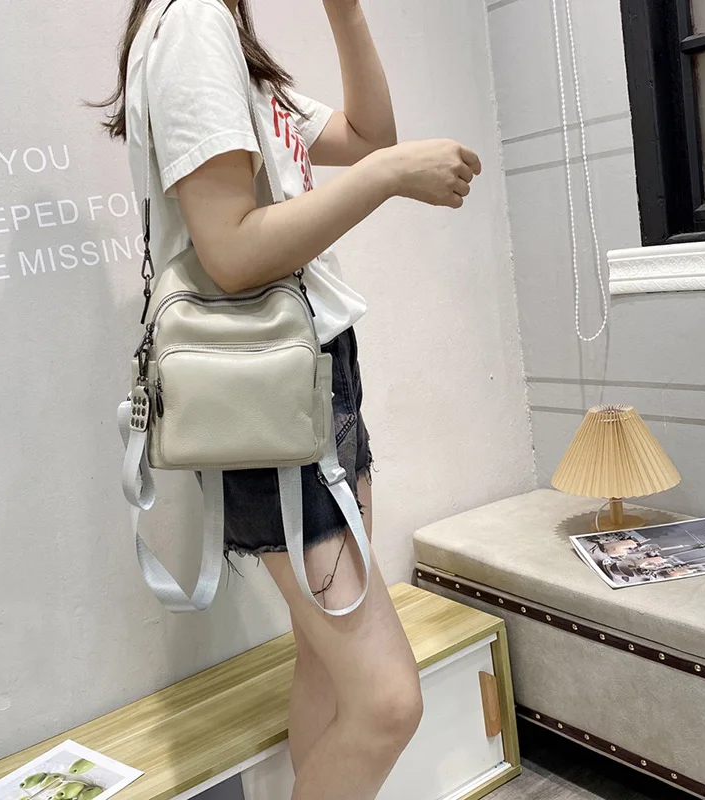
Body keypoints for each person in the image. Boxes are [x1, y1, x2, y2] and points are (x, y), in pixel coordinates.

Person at [95, 0, 481, 796]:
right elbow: (232, 252)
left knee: (328, 666)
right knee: (386, 703)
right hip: (271, 400)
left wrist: (345, 12)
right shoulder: (194, 23)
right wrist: (387, 178)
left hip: (309, 374)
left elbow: (368, 135)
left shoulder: (224, 36)